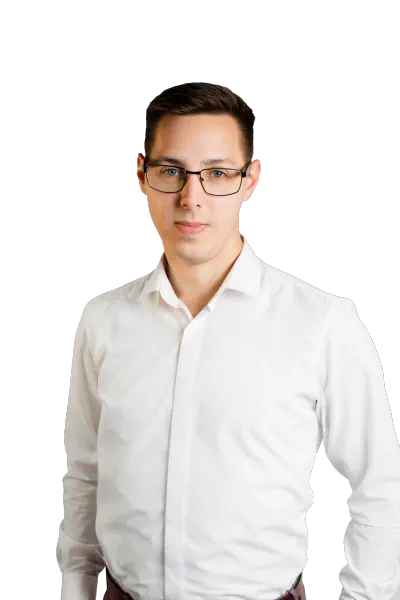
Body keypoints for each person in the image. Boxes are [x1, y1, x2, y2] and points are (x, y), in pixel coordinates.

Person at [56, 81, 400, 600]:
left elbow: (380, 482)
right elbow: (85, 474)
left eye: (216, 173)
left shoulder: (321, 324)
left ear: (250, 180)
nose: (191, 198)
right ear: (142, 175)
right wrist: (77, 588)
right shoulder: (103, 322)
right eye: (171, 171)